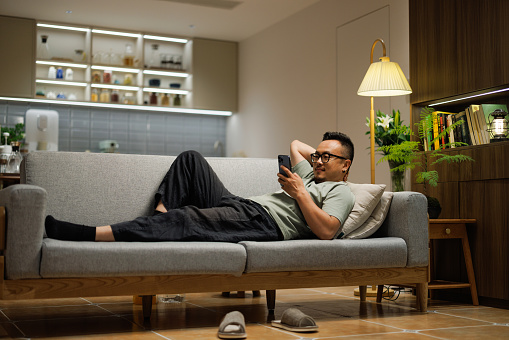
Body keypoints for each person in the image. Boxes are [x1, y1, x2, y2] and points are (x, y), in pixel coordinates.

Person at [45, 131, 355, 242]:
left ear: (346, 165)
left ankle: (89, 234)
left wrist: (300, 193)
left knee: (187, 218)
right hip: (244, 205)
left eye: (327, 156)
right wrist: (318, 154)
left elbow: (327, 231)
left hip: (264, 222)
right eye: (317, 154)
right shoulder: (313, 174)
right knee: (190, 159)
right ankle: (157, 222)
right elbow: (295, 144)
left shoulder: (341, 191)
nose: (317, 159)